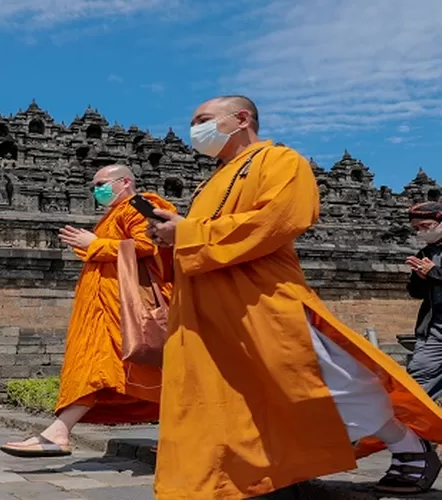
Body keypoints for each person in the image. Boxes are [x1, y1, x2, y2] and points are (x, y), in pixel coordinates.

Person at [147, 95, 442, 498]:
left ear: (241, 118)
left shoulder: (280, 161)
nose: (195, 130)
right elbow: (195, 239)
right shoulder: (210, 180)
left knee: (315, 380)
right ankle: (230, 477)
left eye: (203, 119)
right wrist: (167, 238)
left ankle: (407, 443)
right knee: (219, 394)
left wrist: (187, 233)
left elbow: (281, 218)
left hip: (260, 297)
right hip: (203, 304)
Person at [0, 164, 177, 458]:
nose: (96, 190)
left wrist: (95, 244)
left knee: (129, 368)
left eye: (101, 183)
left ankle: (58, 432)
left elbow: (151, 244)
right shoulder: (113, 214)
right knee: (98, 369)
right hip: (102, 309)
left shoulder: (139, 207)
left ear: (125, 182)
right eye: (93, 185)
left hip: (125, 309)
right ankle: (58, 432)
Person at [406, 201, 442, 402]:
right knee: (418, 379)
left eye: (425, 226)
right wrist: (421, 278)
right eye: (416, 228)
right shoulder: (425, 254)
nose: (421, 232)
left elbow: (436, 275)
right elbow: (415, 292)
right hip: (435, 331)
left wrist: (434, 273)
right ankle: (415, 430)